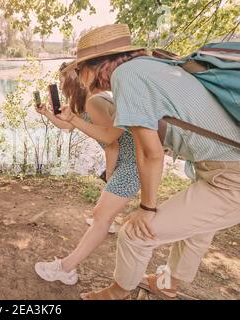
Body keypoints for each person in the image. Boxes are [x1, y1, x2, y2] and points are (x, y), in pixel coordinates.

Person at [64, 24, 239, 300]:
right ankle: (168, 284)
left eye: (80, 69)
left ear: (98, 65)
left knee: (135, 234)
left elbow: (150, 153)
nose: (81, 78)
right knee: (198, 231)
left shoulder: (125, 76)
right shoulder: (153, 64)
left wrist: (148, 207)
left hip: (231, 178)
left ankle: (117, 292)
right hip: (220, 168)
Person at [34, 62, 141, 285]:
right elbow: (68, 126)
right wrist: (46, 113)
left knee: (99, 216)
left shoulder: (94, 101)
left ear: (74, 79)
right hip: (129, 160)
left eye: (63, 78)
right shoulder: (87, 103)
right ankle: (107, 221)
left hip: (130, 163)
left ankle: (65, 269)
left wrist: (109, 173)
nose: (60, 84)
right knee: (101, 213)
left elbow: (111, 141)